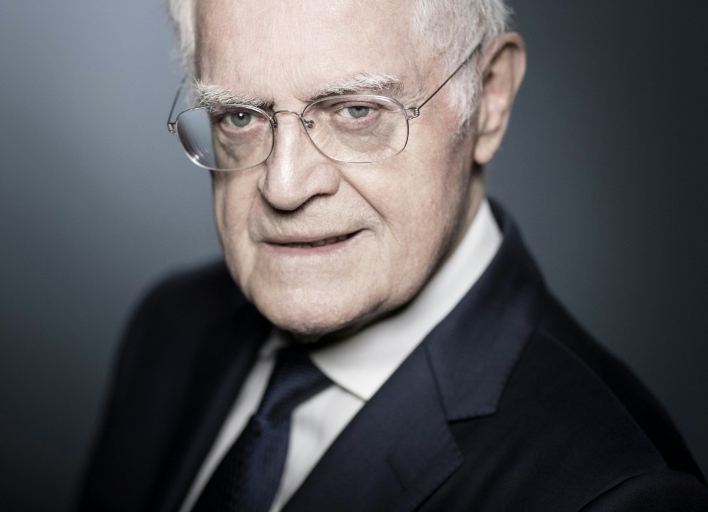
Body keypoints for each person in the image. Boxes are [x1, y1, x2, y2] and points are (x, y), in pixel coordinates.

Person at [77, 0, 708, 510]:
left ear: (489, 99)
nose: (285, 185)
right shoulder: (170, 328)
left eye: (356, 111)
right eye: (239, 115)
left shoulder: (616, 491)